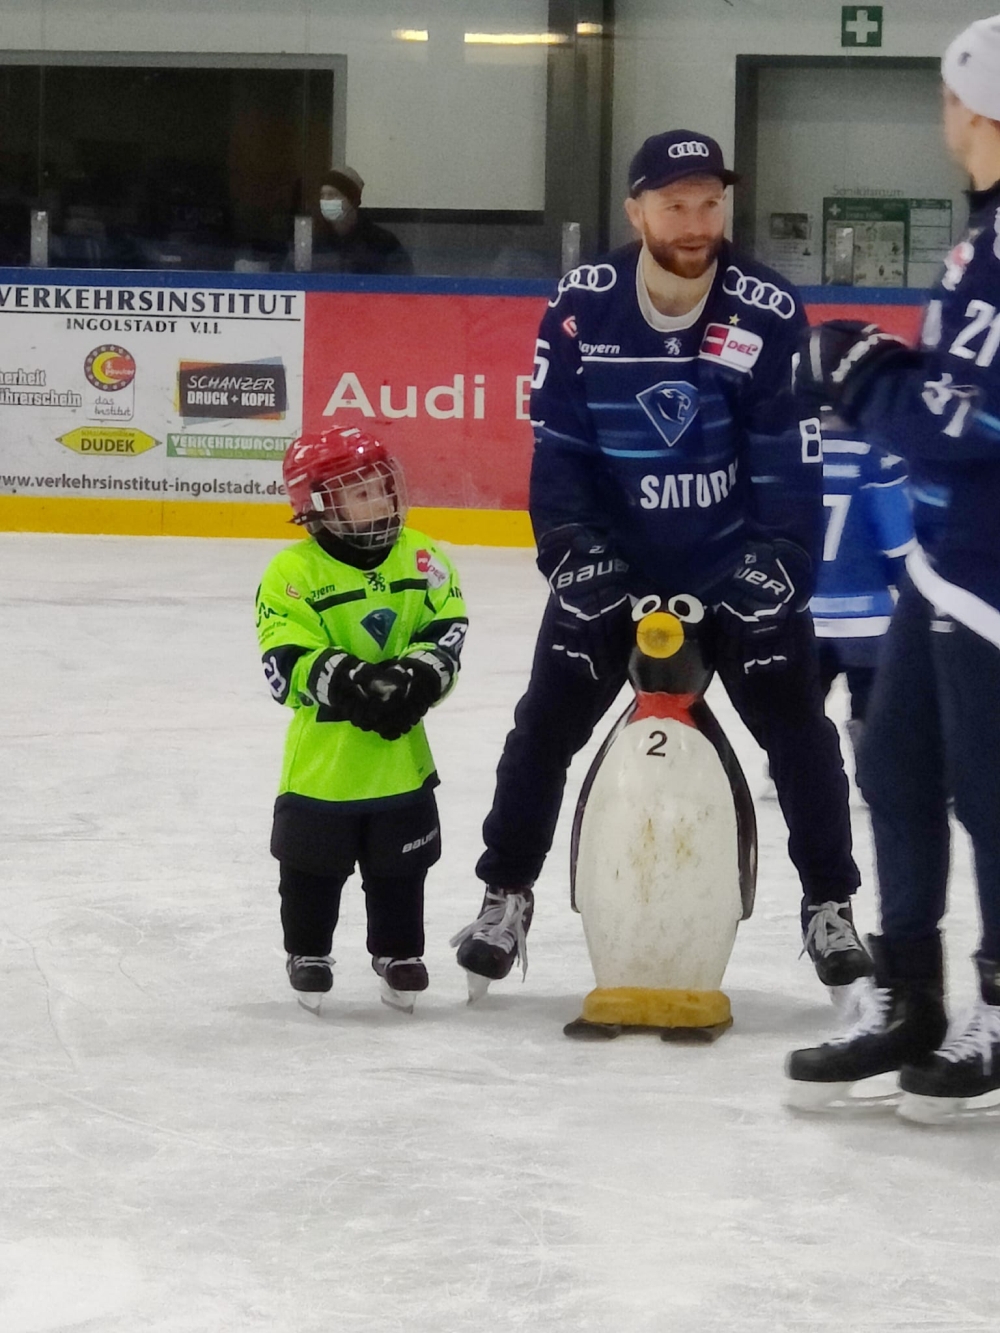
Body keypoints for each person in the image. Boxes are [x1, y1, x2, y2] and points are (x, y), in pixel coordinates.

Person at [450, 129, 872, 1000]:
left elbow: (789, 460)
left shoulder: (766, 308)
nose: (696, 219)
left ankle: (830, 907)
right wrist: (573, 551)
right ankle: (506, 895)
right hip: (613, 567)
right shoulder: (581, 306)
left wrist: (781, 559)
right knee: (543, 730)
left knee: (800, 735)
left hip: (731, 568)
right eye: (675, 202)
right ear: (636, 209)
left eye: (710, 201)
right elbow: (560, 453)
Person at [786, 14, 1000, 1120]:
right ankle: (908, 993)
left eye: (949, 98)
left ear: (982, 108)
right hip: (941, 555)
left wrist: (866, 385)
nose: (943, 118)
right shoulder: (982, 236)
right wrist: (891, 359)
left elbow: (982, 417)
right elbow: (962, 377)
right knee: (897, 769)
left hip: (990, 569)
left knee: (992, 795)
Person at [256, 426, 467, 1010]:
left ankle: (400, 950)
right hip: (321, 770)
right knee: (310, 866)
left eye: (383, 487)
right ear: (317, 504)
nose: (382, 501)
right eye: (361, 492)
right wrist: (353, 684)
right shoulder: (291, 572)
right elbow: (284, 656)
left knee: (402, 867)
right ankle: (308, 949)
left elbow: (446, 630)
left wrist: (414, 681)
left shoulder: (422, 555)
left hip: (402, 763)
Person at [811, 412, 914, 761]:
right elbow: (898, 544)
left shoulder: (792, 450)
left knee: (802, 704)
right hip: (867, 617)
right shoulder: (876, 456)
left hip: (802, 615)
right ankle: (871, 767)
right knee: (870, 700)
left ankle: (793, 764)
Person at [307, 167, 413, 276]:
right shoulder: (315, 241)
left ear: (352, 200)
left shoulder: (381, 242)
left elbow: (403, 282)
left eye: (332, 195)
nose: (326, 200)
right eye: (322, 195)